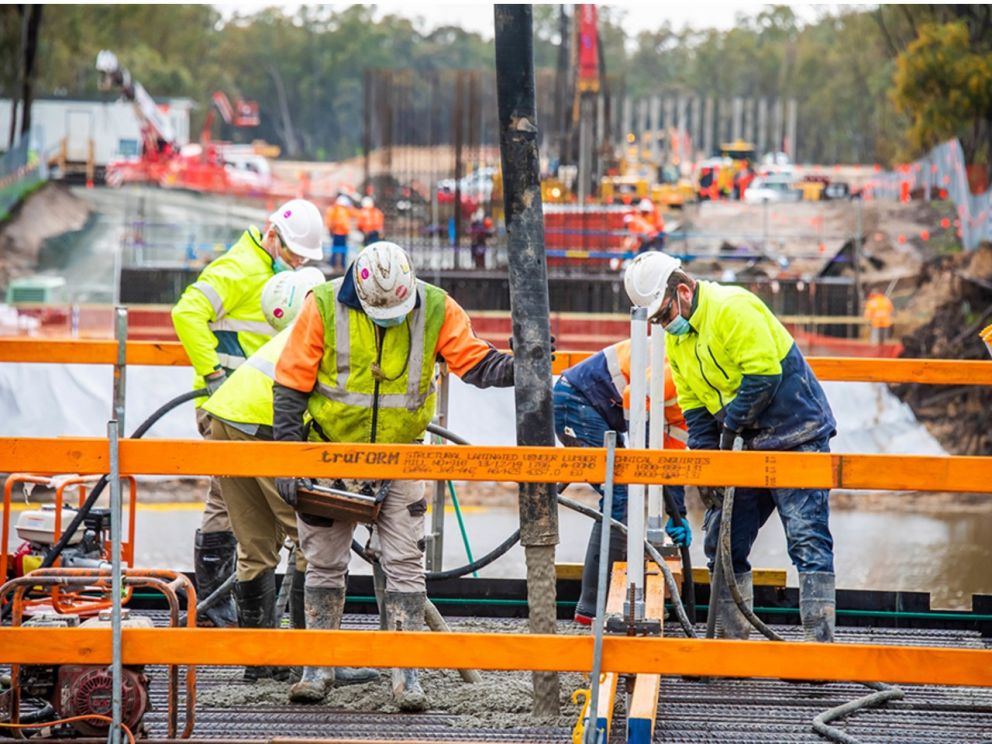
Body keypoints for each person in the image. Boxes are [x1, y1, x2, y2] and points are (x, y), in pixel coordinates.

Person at [271, 241, 515, 709]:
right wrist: (289, 459)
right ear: (358, 294)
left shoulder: (437, 307)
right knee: (323, 562)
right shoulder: (322, 305)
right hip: (329, 456)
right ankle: (318, 668)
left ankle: (407, 677)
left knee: (405, 563)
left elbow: (475, 363)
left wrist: (521, 364)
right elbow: (291, 383)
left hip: (402, 457)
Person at [624, 251, 837, 643]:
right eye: (654, 320)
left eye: (663, 314)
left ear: (683, 291)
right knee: (724, 539)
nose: (662, 324)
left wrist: (730, 430)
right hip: (744, 443)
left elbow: (763, 375)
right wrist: (708, 465)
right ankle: (733, 645)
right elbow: (695, 410)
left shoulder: (731, 308)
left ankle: (818, 648)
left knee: (806, 535)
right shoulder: (680, 342)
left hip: (796, 433)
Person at [201, 267, 378, 686]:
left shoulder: (318, 321)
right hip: (264, 423)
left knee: (256, 546)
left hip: (227, 416)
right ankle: (311, 661)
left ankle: (262, 660)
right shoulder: (343, 335)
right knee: (311, 540)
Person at [171, 198, 325, 628]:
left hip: (256, 409)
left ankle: (237, 623)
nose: (295, 263)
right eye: (293, 254)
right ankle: (219, 610)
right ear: (271, 234)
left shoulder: (274, 275)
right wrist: (213, 372)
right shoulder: (239, 268)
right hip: (234, 407)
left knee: (236, 508)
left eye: (302, 259)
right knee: (230, 502)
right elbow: (186, 313)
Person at [554, 341, 689, 625]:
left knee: (624, 490)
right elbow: (633, 396)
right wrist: (639, 453)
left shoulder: (689, 406)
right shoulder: (680, 370)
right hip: (575, 401)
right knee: (622, 493)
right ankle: (591, 608)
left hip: (596, 408)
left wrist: (679, 513)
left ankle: (593, 606)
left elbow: (669, 458)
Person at [324, 195, 354, 270]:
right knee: (342, 250)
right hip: (343, 233)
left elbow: (330, 221)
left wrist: (331, 229)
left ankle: (334, 264)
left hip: (336, 233)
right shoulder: (344, 210)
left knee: (335, 249)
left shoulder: (334, 210)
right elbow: (345, 223)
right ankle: (342, 265)